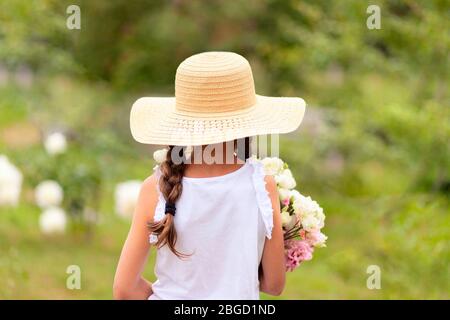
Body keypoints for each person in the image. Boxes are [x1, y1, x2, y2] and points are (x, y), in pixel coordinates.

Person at [113, 51, 305, 299]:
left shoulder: (155, 187)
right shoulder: (262, 184)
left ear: (184, 121)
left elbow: (123, 289)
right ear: (247, 122)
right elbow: (274, 284)